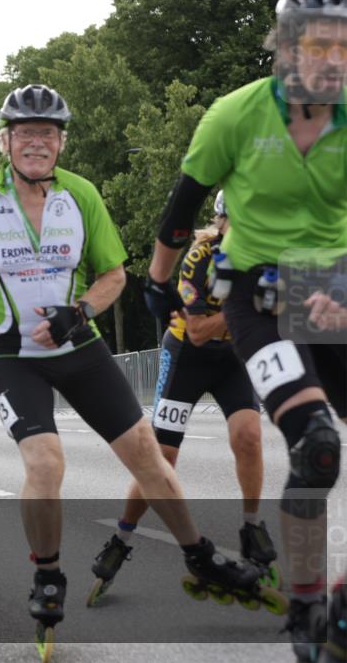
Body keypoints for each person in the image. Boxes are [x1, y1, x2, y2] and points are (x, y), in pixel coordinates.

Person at [0, 84, 276, 645]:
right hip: (13, 358)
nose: (36, 144)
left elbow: (115, 275)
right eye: (25, 133)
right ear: (6, 140)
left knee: (149, 459)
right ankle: (47, 575)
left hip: (80, 348)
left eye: (47, 134)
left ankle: (200, 556)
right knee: (45, 467)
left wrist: (83, 309)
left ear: (61, 142)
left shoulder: (82, 197)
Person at [142, 0, 346, 659]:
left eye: (344, 47)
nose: (333, 61)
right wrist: (158, 290)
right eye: (318, 46)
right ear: (284, 46)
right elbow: (177, 220)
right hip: (257, 300)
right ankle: (309, 607)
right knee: (316, 447)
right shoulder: (233, 116)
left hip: (334, 291)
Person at [88, 192, 277, 607]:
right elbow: (197, 331)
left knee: (248, 437)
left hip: (232, 359)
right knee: (162, 461)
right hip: (187, 356)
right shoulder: (199, 258)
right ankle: (121, 539)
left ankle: (251, 526)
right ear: (221, 221)